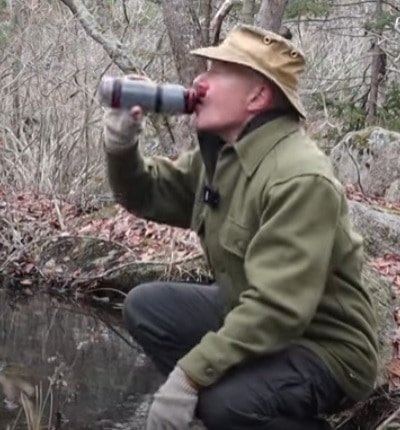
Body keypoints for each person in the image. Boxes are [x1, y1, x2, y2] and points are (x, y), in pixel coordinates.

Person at [102, 24, 378, 430]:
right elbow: (147, 194)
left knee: (222, 404)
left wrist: (189, 378)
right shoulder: (224, 155)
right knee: (146, 308)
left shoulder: (299, 177)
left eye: (216, 70)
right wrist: (121, 143)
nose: (200, 79)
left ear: (258, 96)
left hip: (325, 347)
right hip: (250, 309)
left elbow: (277, 308)